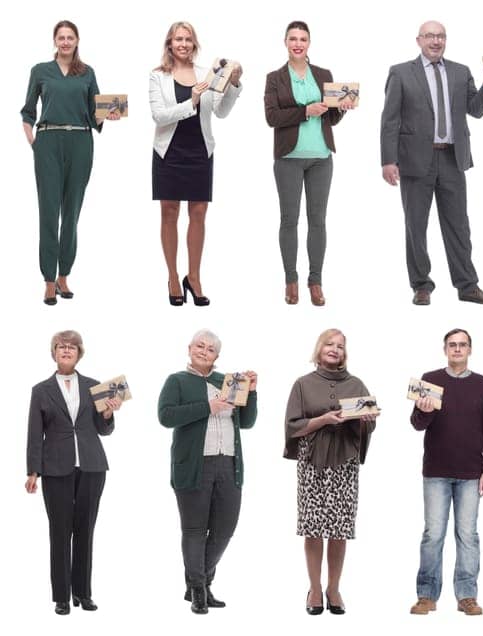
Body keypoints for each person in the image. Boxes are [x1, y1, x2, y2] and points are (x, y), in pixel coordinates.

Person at [380, 21, 483, 306]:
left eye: (441, 36)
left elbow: (475, 110)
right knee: (416, 225)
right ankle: (421, 285)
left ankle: (467, 285)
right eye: (430, 36)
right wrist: (388, 160)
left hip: (452, 157)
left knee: (459, 225)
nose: (436, 41)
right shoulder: (400, 72)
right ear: (418, 40)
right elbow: (390, 120)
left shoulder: (460, 72)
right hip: (414, 159)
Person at [156, 329, 258, 614]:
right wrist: (207, 407)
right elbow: (165, 416)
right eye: (199, 346)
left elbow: (246, 422)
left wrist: (252, 392)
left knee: (225, 529)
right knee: (194, 530)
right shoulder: (176, 380)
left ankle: (197, 581)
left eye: (210, 349)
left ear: (217, 355)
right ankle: (200, 589)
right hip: (193, 465)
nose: (204, 351)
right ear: (189, 348)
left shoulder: (228, 382)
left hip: (228, 463)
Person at [22, 21, 120, 305]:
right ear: (55, 40)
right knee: (49, 212)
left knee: (72, 211)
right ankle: (49, 281)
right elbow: (28, 110)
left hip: (81, 142)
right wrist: (33, 141)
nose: (65, 42)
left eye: (70, 37)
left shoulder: (87, 72)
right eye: (61, 37)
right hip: (48, 141)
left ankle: (64, 274)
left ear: (77, 41)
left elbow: (95, 112)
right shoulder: (40, 71)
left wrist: (107, 115)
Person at [25, 330, 120, 614]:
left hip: (92, 466)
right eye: (61, 346)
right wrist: (33, 472)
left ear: (79, 353)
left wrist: (107, 413)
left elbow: (105, 430)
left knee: (85, 531)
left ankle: (83, 593)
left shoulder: (96, 387)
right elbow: (34, 433)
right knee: (59, 531)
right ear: (54, 352)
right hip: (55, 469)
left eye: (71, 347)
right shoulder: (40, 390)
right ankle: (62, 597)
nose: (66, 350)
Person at [283, 329, 376, 615]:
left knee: (339, 529)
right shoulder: (303, 384)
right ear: (319, 347)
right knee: (313, 528)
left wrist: (367, 420)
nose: (335, 349)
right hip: (312, 462)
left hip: (344, 461)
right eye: (330, 344)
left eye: (341, 346)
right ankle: (314, 588)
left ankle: (333, 588)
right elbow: (292, 425)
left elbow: (366, 427)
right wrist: (322, 420)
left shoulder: (357, 383)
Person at [149, 22, 241, 307]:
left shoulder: (205, 73)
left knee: (199, 215)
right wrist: (192, 100)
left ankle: (195, 277)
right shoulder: (157, 76)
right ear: (169, 43)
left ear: (194, 44)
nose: (183, 44)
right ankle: (173, 277)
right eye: (178, 39)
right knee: (169, 213)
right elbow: (159, 116)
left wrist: (234, 84)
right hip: (169, 152)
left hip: (200, 151)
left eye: (188, 39)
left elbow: (220, 112)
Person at [409, 328, 483, 617]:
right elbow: (417, 424)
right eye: (452, 345)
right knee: (433, 534)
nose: (457, 349)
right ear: (445, 349)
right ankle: (426, 595)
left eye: (462, 345)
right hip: (436, 470)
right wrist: (425, 409)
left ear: (470, 350)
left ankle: (467, 595)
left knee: (467, 534)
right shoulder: (430, 380)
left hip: (471, 472)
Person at [265, 21, 349, 307]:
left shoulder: (324, 75)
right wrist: (304, 111)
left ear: (309, 43)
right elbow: (272, 118)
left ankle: (316, 281)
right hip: (289, 158)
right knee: (289, 220)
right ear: (285, 43)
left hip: (321, 157)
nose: (298, 43)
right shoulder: (275, 78)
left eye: (302, 39)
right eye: (293, 39)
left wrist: (343, 109)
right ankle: (291, 280)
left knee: (318, 221)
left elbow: (331, 118)